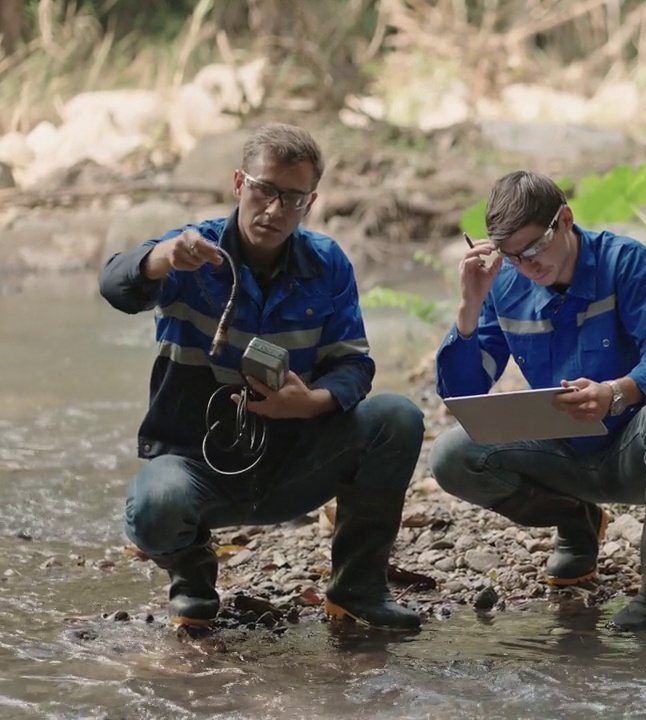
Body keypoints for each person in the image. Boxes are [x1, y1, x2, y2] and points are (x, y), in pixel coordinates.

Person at [98, 123, 424, 632]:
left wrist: (312, 402)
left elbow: (354, 365)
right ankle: (192, 576)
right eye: (264, 189)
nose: (274, 210)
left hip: (297, 463)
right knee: (154, 506)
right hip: (196, 469)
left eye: (292, 198)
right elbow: (115, 286)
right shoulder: (191, 251)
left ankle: (358, 588)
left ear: (310, 202)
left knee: (397, 417)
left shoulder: (328, 263)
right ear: (238, 183)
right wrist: (160, 260)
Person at [428, 170, 646, 631]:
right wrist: (469, 309)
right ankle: (577, 522)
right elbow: (464, 395)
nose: (528, 265)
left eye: (535, 248)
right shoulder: (503, 284)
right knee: (451, 454)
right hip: (561, 450)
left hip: (633, 448)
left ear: (566, 220)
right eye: (513, 256)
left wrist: (616, 393)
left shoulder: (624, 261)